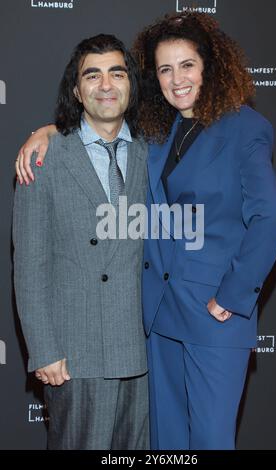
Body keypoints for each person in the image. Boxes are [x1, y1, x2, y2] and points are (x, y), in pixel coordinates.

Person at [16, 12, 276, 450]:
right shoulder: (158, 133)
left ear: (209, 67)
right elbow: (29, 260)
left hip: (201, 320)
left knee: (208, 441)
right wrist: (47, 132)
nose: (176, 78)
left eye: (187, 65)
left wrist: (235, 296)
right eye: (164, 68)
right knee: (168, 445)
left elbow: (270, 218)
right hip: (150, 325)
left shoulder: (231, 130)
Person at [13, 33, 149, 450]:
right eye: (93, 75)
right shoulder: (46, 158)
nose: (106, 85)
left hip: (138, 352)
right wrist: (44, 349)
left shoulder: (150, 150)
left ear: (130, 84)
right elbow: (30, 262)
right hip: (75, 352)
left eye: (116, 73)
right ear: (77, 89)